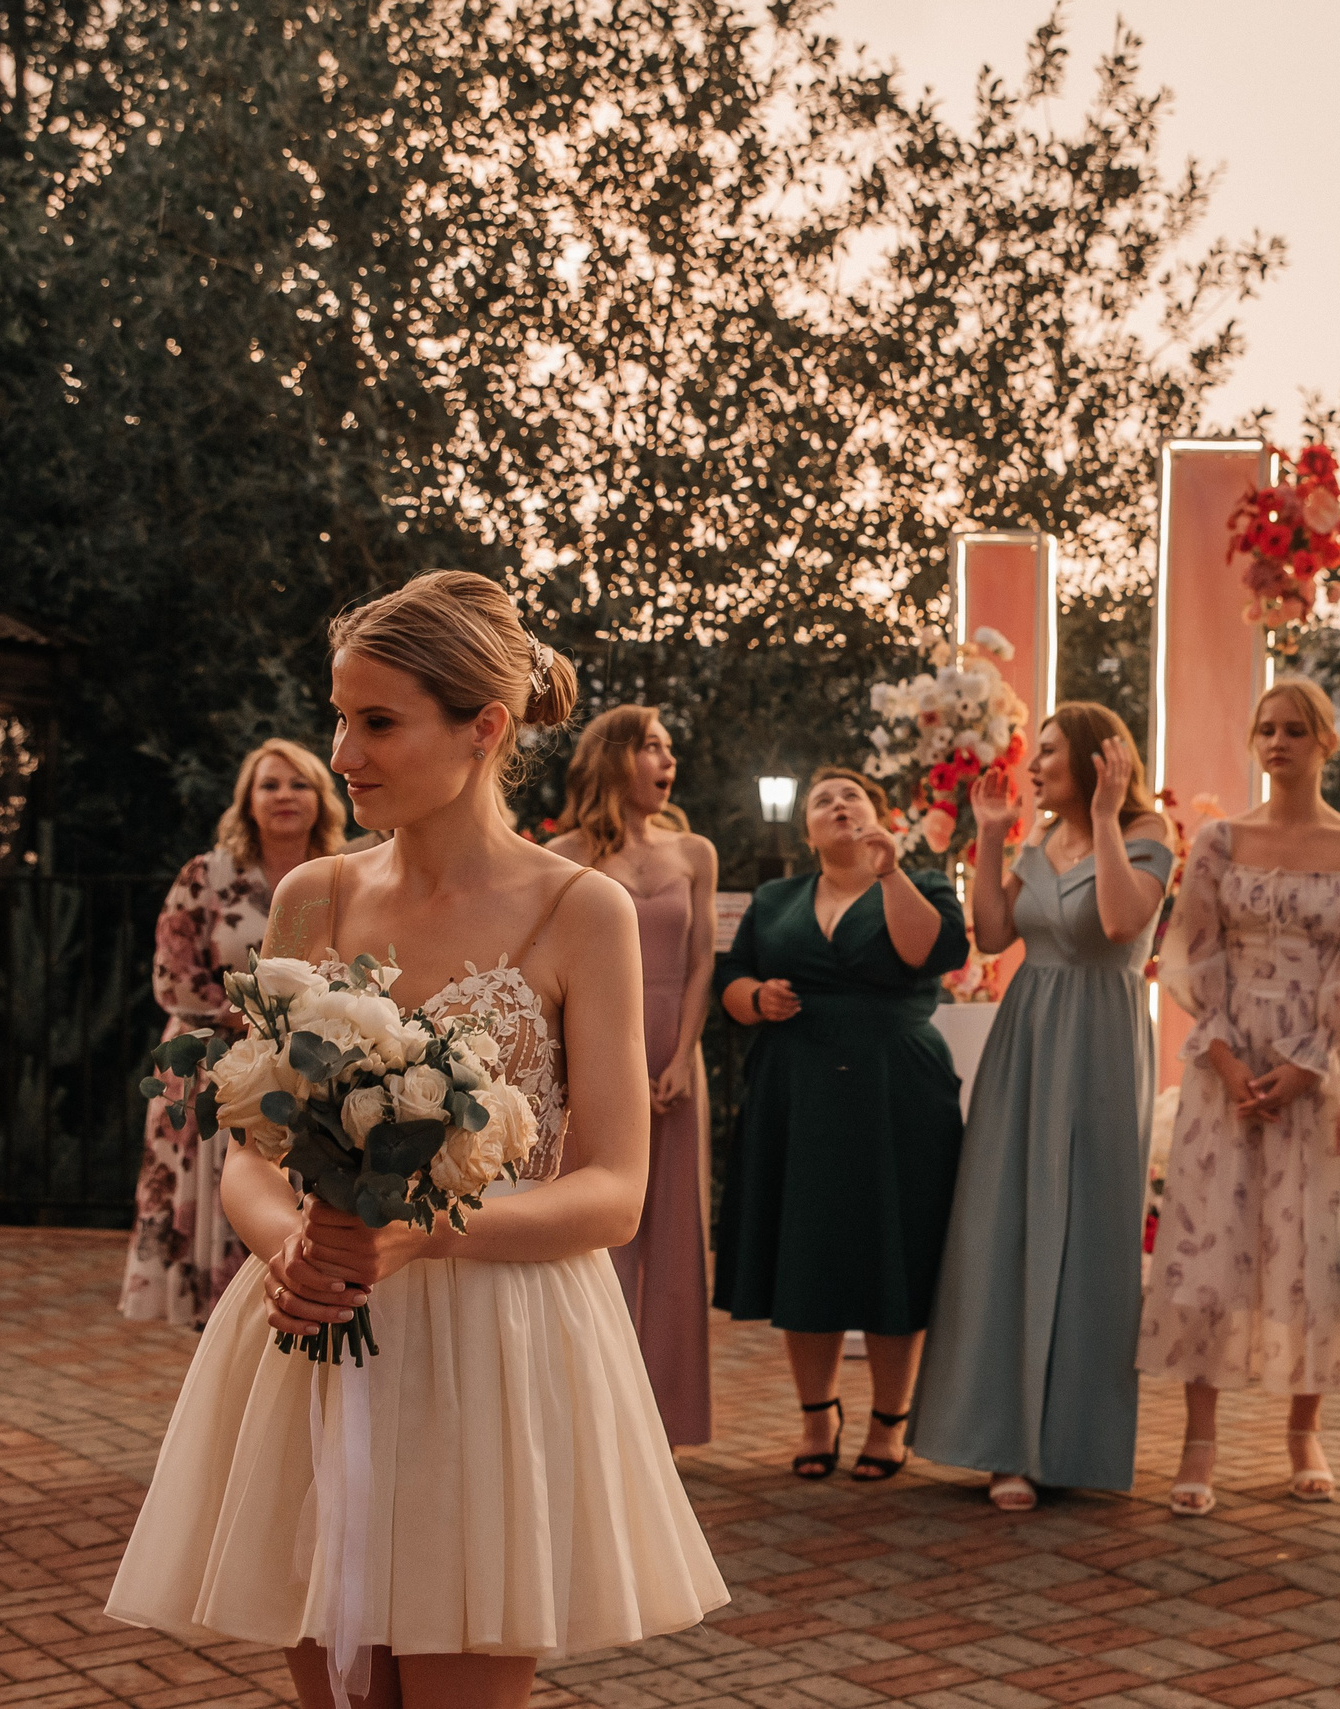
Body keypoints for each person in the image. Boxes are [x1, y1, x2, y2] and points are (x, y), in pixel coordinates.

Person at [105, 571, 725, 1708]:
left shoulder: (578, 909)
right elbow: (251, 1146)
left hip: (492, 1344)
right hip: (314, 1323)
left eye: (377, 720)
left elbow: (615, 1192)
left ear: (482, 726)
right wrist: (287, 1241)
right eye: (339, 713)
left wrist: (421, 1236)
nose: (344, 750)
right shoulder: (313, 895)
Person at [1139, 678, 1340, 1516]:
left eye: (1295, 729)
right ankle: (1199, 1439)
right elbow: (1190, 949)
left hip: (1316, 1071)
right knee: (1211, 1247)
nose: (1278, 742)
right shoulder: (1218, 839)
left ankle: (1302, 1430)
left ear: (1326, 741)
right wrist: (1222, 1057)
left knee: (1312, 1248)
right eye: (1267, 729)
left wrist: (1308, 1064)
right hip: (1227, 1062)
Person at [912, 704, 1172, 1511]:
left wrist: (1101, 817)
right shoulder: (1036, 840)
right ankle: (1001, 1444)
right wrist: (989, 835)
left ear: (1099, 760)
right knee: (1003, 1224)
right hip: (1026, 1037)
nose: (1035, 766)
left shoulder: (1147, 834)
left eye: (1051, 752)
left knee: (1090, 1229)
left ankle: (1071, 1443)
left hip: (1101, 1036)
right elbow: (991, 934)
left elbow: (1122, 920)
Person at [714, 767, 969, 1483]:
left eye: (851, 795)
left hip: (898, 1085)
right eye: (822, 800)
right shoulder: (776, 898)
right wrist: (753, 996)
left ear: (880, 815)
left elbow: (938, 952)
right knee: (808, 1244)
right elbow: (728, 975)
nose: (836, 805)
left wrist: (892, 877)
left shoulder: (921, 881)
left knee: (896, 1241)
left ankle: (890, 1420)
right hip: (797, 1087)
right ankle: (816, 1414)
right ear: (807, 831)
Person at [121, 737, 346, 1329]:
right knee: (217, 1199)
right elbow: (173, 975)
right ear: (248, 800)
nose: (284, 796)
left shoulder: (344, 875)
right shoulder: (209, 874)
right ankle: (215, 1335)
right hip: (208, 1065)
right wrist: (257, 1016)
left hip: (307, 1070)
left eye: (298, 783)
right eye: (269, 785)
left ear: (320, 798)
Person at [547, 705, 717, 1449]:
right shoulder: (563, 854)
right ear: (615, 758)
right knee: (598, 1231)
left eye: (670, 747)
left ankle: (665, 1424)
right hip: (595, 1049)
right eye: (652, 745)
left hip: (677, 1051)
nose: (667, 758)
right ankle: (593, 1415)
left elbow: (705, 959)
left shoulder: (696, 852)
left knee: (679, 1237)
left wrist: (682, 1055)